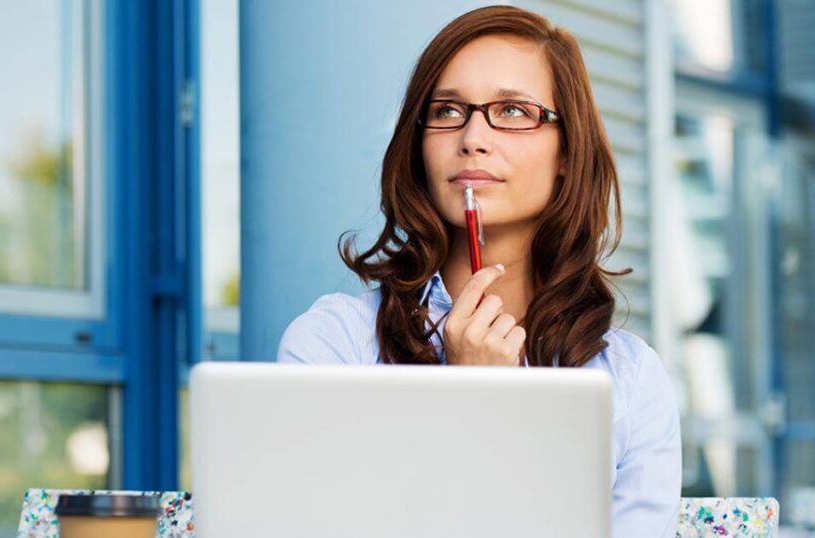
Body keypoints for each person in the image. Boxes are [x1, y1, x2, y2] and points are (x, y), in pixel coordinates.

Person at [277, 5, 681, 536]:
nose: (472, 137)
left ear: (568, 152)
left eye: (514, 111)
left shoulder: (628, 382)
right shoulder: (333, 346)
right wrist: (470, 405)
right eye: (447, 111)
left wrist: (495, 412)